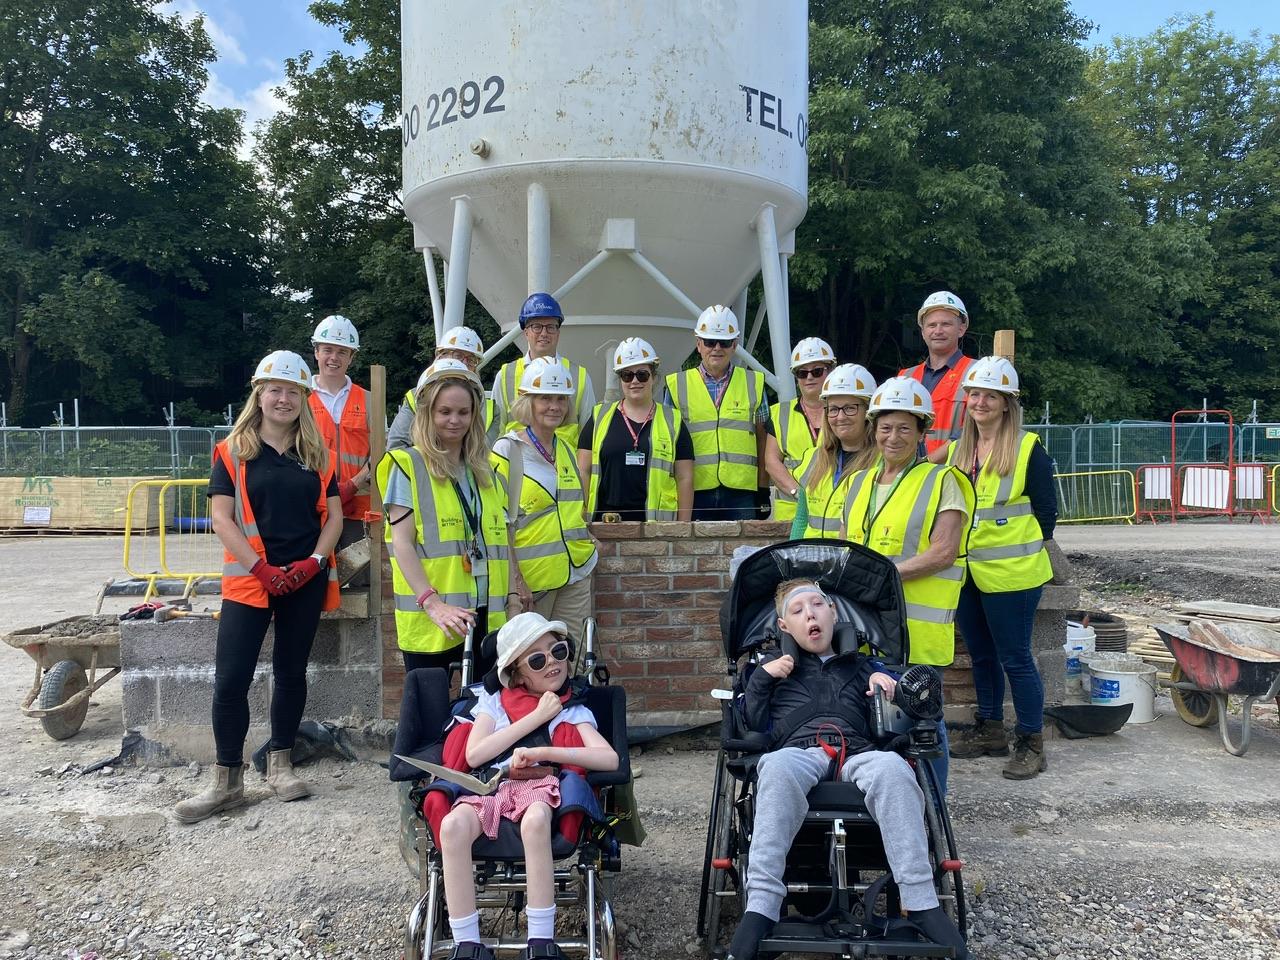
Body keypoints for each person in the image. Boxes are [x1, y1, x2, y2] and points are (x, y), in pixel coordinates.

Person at [726, 580, 969, 960]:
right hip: (798, 751)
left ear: (833, 613)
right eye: (798, 609)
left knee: (894, 768)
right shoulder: (767, 668)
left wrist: (885, 688)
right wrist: (761, 680)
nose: (810, 613)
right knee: (774, 766)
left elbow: (890, 729)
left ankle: (921, 902)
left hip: (858, 752)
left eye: (818, 604)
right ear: (784, 626)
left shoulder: (864, 665)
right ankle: (761, 907)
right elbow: (753, 728)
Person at [175, 350, 342, 824]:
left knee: (290, 673)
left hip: (303, 580)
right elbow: (221, 518)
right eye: (275, 389)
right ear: (259, 394)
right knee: (231, 679)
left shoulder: (316, 455)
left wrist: (314, 562)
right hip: (252, 582)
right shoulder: (233, 452)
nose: (283, 398)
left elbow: (334, 517)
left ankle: (281, 764)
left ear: (304, 399)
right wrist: (260, 568)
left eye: (292, 391)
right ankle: (227, 781)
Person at [435, 612, 619, 960]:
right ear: (516, 673)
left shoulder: (570, 709)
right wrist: (536, 718)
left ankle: (540, 941)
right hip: (490, 784)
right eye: (538, 659)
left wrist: (542, 750)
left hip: (538, 784)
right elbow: (474, 754)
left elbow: (609, 759)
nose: (552, 663)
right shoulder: (494, 703)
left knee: (535, 820)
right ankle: (466, 944)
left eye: (559, 652)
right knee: (452, 825)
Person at [839, 376, 974, 795]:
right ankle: (889, 801)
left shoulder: (941, 480)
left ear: (921, 432)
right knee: (869, 717)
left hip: (916, 631)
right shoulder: (857, 483)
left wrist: (882, 575)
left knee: (922, 720)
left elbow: (943, 552)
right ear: (873, 429)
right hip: (864, 628)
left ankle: (933, 812)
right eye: (885, 427)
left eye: (904, 428)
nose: (892, 437)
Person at [942, 357, 1056, 780]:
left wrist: (1013, 548)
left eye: (991, 395)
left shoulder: (1028, 449)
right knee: (981, 655)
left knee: (1016, 658)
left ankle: (1031, 741)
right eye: (974, 394)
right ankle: (990, 728)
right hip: (969, 573)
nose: (980, 401)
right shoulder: (960, 449)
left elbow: (1046, 515)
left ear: (1007, 403)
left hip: (1013, 575)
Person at [376, 359, 515, 676]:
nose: (455, 421)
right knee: (432, 717)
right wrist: (432, 603)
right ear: (427, 414)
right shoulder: (407, 465)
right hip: (434, 618)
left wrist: (512, 598)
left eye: (463, 413)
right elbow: (401, 544)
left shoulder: (487, 470)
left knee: (481, 718)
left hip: (485, 615)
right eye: (445, 412)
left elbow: (499, 539)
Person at [492, 359, 598, 646]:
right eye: (545, 398)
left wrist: (587, 540)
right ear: (529, 402)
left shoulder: (564, 447)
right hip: (532, 583)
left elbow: (571, 507)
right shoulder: (507, 450)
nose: (555, 406)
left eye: (561, 399)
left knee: (573, 658)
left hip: (575, 574)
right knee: (533, 662)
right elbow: (498, 524)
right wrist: (516, 581)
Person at [665, 305, 768, 520]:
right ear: (698, 343)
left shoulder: (754, 383)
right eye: (710, 342)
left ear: (735, 345)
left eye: (725, 342)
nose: (717, 348)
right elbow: (666, 442)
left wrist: (762, 488)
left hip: (742, 492)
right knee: (694, 553)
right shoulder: (677, 385)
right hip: (694, 490)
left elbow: (763, 441)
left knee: (745, 554)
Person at [578, 337, 694, 522]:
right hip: (603, 523)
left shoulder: (673, 420)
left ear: (654, 377)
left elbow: (685, 478)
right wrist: (580, 519)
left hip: (657, 526)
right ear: (620, 379)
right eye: (627, 375)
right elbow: (583, 471)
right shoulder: (598, 416)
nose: (634, 381)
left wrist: (683, 528)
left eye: (642, 374)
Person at [491, 293, 596, 448]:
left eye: (551, 327)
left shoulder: (579, 375)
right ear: (526, 332)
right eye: (537, 326)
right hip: (517, 464)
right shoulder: (506, 375)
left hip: (564, 467)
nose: (544, 333)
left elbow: (590, 433)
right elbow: (494, 430)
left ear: (558, 332)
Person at [788, 364, 877, 539]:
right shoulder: (814, 459)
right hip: (810, 561)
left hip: (852, 563)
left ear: (868, 412)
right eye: (834, 409)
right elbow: (802, 520)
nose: (841, 417)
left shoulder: (882, 463)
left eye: (850, 408)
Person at [308, 314, 371, 556]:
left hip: (359, 510)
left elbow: (381, 451)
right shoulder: (300, 399)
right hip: (313, 507)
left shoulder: (367, 400)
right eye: (328, 350)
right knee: (317, 577)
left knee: (362, 583)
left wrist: (353, 485)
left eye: (342, 352)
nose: (334, 358)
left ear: (351, 357)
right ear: (316, 352)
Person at [763, 337, 837, 523]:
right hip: (791, 514)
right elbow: (771, 462)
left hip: (835, 511)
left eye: (817, 371)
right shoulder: (779, 413)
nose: (809, 377)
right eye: (802, 373)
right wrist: (799, 494)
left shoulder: (844, 412)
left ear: (831, 371)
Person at [389, 326, 498, 451]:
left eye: (472, 360)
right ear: (441, 356)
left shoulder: (491, 409)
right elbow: (397, 447)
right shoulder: (415, 397)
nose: (464, 363)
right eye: (458, 355)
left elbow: (487, 456)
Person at [899, 291, 974, 456]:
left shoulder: (975, 373)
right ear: (923, 332)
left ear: (961, 329)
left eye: (946, 324)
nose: (938, 331)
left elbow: (976, 430)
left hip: (957, 474)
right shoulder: (905, 378)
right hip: (908, 475)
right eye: (932, 325)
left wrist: (928, 463)